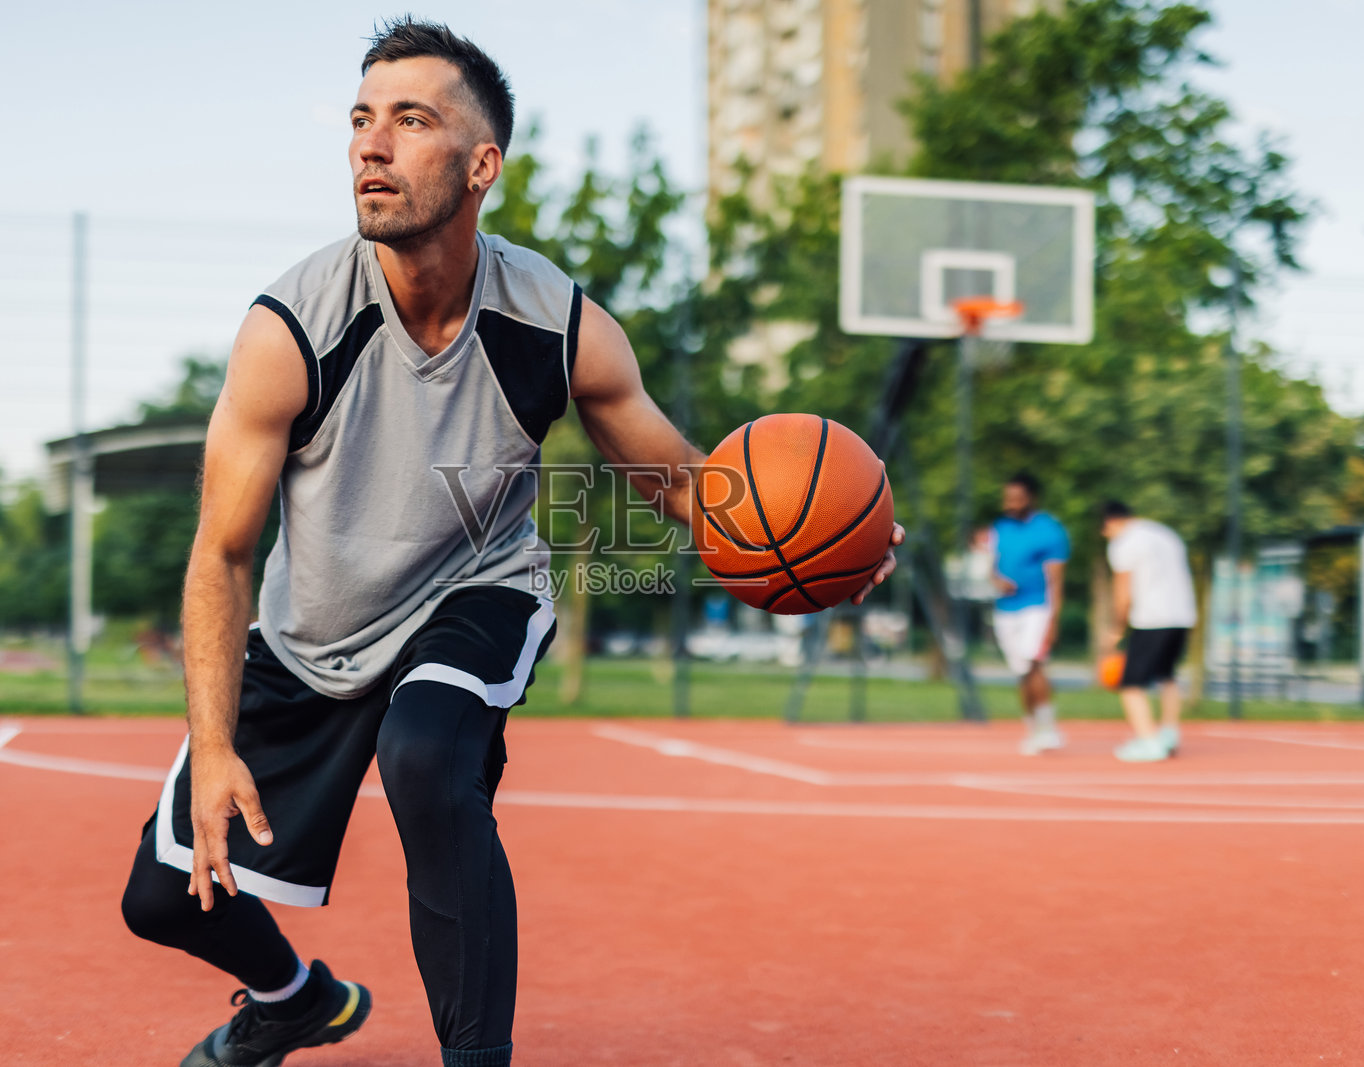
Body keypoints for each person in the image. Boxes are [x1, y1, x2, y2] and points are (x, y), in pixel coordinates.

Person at [117, 19, 905, 1067]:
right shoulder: (290, 328)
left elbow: (678, 480)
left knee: (429, 760)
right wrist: (212, 747)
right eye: (361, 120)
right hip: (312, 627)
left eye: (410, 119)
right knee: (163, 898)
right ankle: (294, 996)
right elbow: (220, 555)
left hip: (472, 590)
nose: (370, 145)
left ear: (481, 165)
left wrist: (826, 547)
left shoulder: (557, 324)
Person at [1099, 500, 1197, 762]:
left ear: (1111, 521)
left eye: (1104, 530)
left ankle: (1148, 741)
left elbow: (1123, 592)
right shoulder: (1166, 534)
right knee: (1167, 675)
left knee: (1130, 684)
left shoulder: (1124, 543)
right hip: (1182, 614)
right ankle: (1168, 734)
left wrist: (1117, 628)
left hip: (1152, 618)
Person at [988, 472, 1070, 755]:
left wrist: (1053, 619)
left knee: (1034, 663)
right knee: (1022, 671)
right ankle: (1033, 728)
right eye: (1008, 497)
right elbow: (992, 568)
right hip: (1005, 610)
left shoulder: (1050, 530)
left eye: (1018, 498)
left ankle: (1049, 729)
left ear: (1032, 498)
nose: (1011, 503)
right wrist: (998, 581)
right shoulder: (1000, 528)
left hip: (1037, 607)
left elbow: (1056, 580)